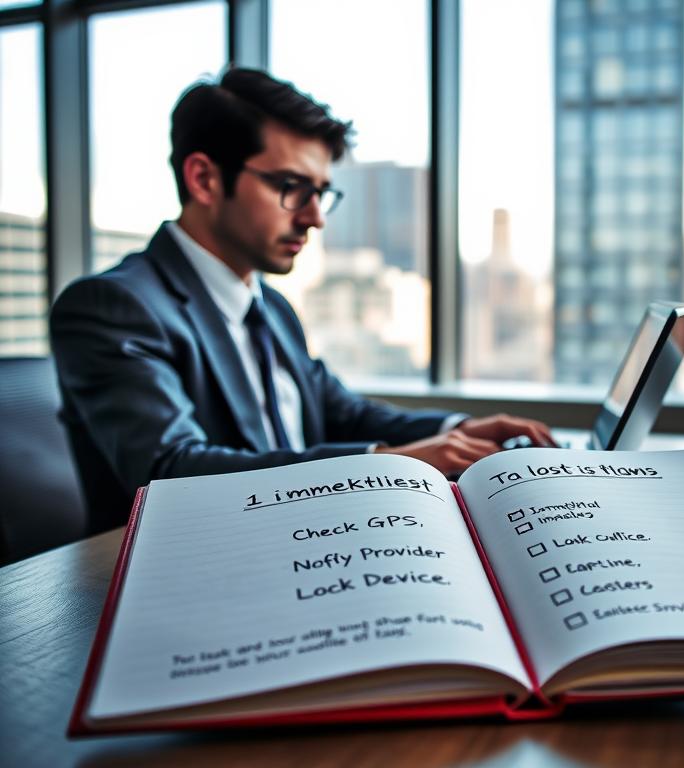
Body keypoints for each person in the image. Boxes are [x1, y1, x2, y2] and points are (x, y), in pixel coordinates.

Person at [50, 68, 554, 532]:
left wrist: (458, 430)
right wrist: (384, 464)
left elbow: (344, 413)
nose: (314, 218)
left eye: (321, 193)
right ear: (204, 178)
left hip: (297, 543)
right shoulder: (111, 306)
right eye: (291, 187)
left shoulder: (271, 308)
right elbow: (170, 471)